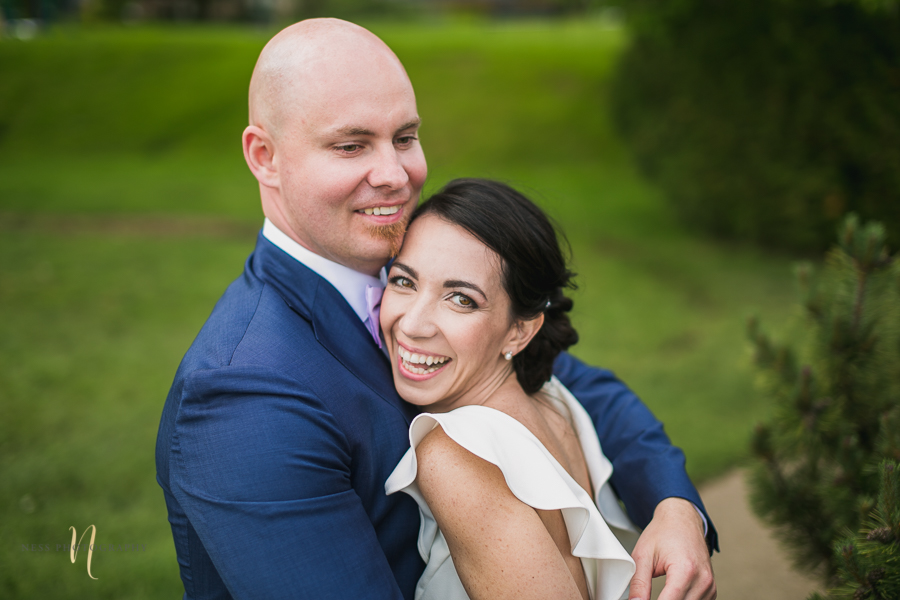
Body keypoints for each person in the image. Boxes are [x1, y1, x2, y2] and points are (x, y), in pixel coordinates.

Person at [155, 17, 718, 600]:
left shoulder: (420, 264)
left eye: (404, 138)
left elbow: (582, 387)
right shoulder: (242, 395)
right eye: (351, 146)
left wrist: (676, 508)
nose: (395, 176)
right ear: (265, 156)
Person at [382, 178, 639, 600]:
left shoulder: (456, 455)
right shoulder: (556, 402)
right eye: (404, 281)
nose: (412, 324)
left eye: (461, 299)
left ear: (520, 330)